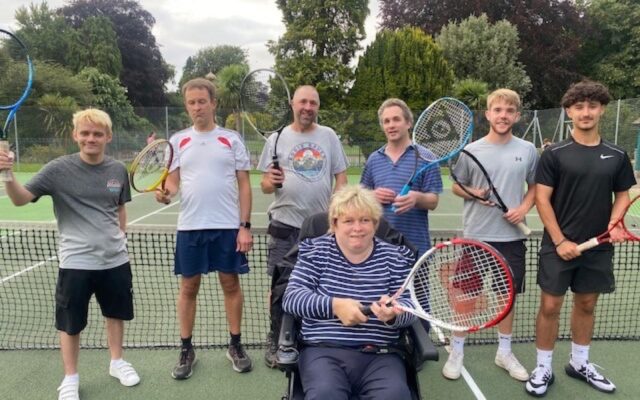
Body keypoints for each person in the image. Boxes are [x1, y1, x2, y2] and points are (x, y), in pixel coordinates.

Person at [0, 109, 140, 400]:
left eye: (97, 134)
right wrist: (7, 174)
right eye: (85, 133)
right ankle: (71, 378)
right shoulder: (56, 169)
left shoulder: (117, 170)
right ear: (75, 135)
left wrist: (121, 236)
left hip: (115, 260)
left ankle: (117, 362)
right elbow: (20, 199)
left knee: (115, 314)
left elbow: (120, 207)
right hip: (75, 262)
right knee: (70, 322)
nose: (91, 138)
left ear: (108, 137)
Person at [525, 80, 635, 396]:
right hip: (558, 246)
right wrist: (560, 241)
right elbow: (542, 200)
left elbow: (623, 195)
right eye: (579, 106)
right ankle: (543, 367)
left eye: (592, 106)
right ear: (569, 111)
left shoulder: (616, 155)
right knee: (549, 306)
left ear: (601, 109)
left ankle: (579, 363)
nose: (585, 112)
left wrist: (614, 224)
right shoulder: (554, 153)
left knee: (586, 304)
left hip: (597, 249)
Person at [155, 78, 253, 379]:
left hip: (226, 227)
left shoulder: (232, 139)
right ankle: (186, 349)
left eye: (202, 101)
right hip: (190, 227)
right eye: (191, 102)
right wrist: (166, 192)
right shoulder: (178, 140)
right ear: (187, 106)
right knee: (188, 288)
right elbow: (172, 180)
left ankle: (235, 345)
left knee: (231, 285)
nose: (197, 107)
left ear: (213, 103)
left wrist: (244, 226)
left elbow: (244, 184)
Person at [282, 185, 417, 399]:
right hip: (323, 352)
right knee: (326, 394)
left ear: (375, 223)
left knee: (395, 395)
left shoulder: (394, 258)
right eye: (348, 221)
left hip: (381, 355)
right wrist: (335, 306)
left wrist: (393, 315)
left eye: (365, 220)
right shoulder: (315, 252)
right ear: (335, 224)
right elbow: (292, 298)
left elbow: (411, 308)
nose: (358, 228)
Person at [445, 89, 538, 382]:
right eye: (497, 110)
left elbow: (535, 186)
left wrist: (523, 208)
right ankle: (457, 350)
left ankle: (504, 352)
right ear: (488, 114)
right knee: (465, 296)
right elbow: (457, 186)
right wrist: (473, 192)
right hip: (476, 236)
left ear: (517, 116)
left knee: (506, 298)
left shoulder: (528, 149)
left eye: (509, 111)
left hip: (512, 238)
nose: (503, 115)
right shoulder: (472, 151)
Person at [258, 84, 349, 367]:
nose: (308, 107)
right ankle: (276, 340)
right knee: (280, 288)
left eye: (313, 103)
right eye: (303, 102)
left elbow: (341, 178)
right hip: (284, 226)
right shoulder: (275, 139)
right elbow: (263, 184)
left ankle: (311, 338)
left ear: (318, 107)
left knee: (321, 287)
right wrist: (269, 182)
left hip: (321, 230)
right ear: (292, 104)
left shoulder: (329, 136)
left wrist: (334, 213)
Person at [360, 98, 442, 258]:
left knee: (418, 285)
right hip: (378, 250)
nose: (391, 125)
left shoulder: (427, 157)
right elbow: (361, 197)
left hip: (416, 248)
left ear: (408, 123)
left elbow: (433, 201)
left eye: (396, 119)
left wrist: (416, 198)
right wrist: (372, 196)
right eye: (386, 121)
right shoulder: (374, 159)